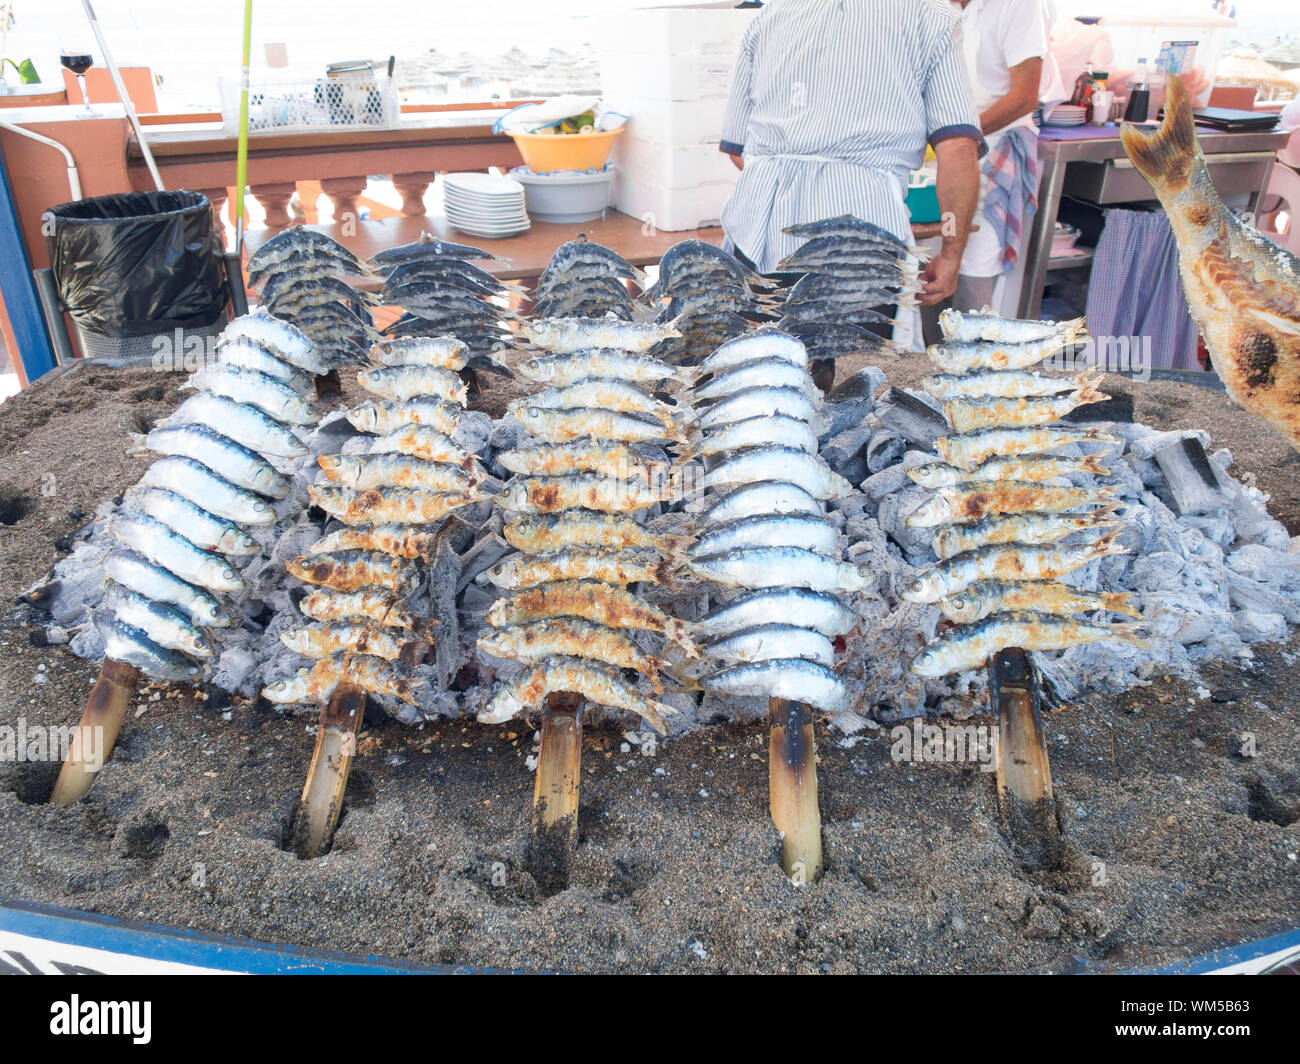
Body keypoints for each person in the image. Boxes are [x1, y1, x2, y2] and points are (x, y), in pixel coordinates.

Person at [718, 0, 985, 317]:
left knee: (758, 360)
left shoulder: (770, 14)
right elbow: (957, 150)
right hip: (863, 238)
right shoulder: (932, 17)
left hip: (756, 234)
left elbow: (737, 148)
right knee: (855, 365)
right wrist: (952, 253)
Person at [920, 0, 1051, 343]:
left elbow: (1025, 95)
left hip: (989, 154)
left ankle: (976, 377)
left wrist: (959, 135)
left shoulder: (1018, 6)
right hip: (936, 154)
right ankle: (927, 372)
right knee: (929, 270)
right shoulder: (927, 7)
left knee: (970, 279)